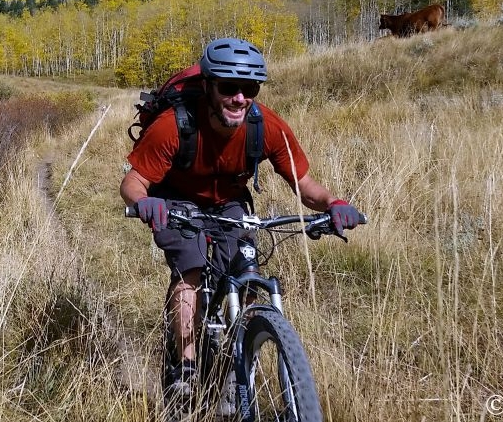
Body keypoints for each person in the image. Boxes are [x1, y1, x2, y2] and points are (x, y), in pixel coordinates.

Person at [119, 37, 363, 397]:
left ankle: (239, 355)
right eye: (228, 87)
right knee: (190, 266)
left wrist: (334, 203)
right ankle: (186, 369)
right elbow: (134, 182)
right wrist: (145, 203)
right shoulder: (175, 125)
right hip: (175, 200)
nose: (239, 98)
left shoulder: (265, 127)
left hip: (230, 202)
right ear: (208, 86)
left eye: (249, 88)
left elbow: (305, 184)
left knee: (246, 272)